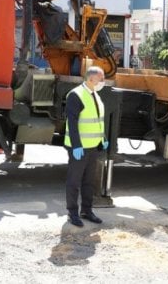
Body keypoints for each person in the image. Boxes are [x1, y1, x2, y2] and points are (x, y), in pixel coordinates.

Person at [64, 65, 109, 227]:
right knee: (74, 181)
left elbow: (97, 120)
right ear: (91, 79)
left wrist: (103, 138)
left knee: (89, 182)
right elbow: (72, 123)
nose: (103, 81)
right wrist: (76, 145)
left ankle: (87, 210)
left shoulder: (95, 95)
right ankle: (72, 213)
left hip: (92, 147)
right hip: (79, 148)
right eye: (101, 79)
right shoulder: (75, 95)